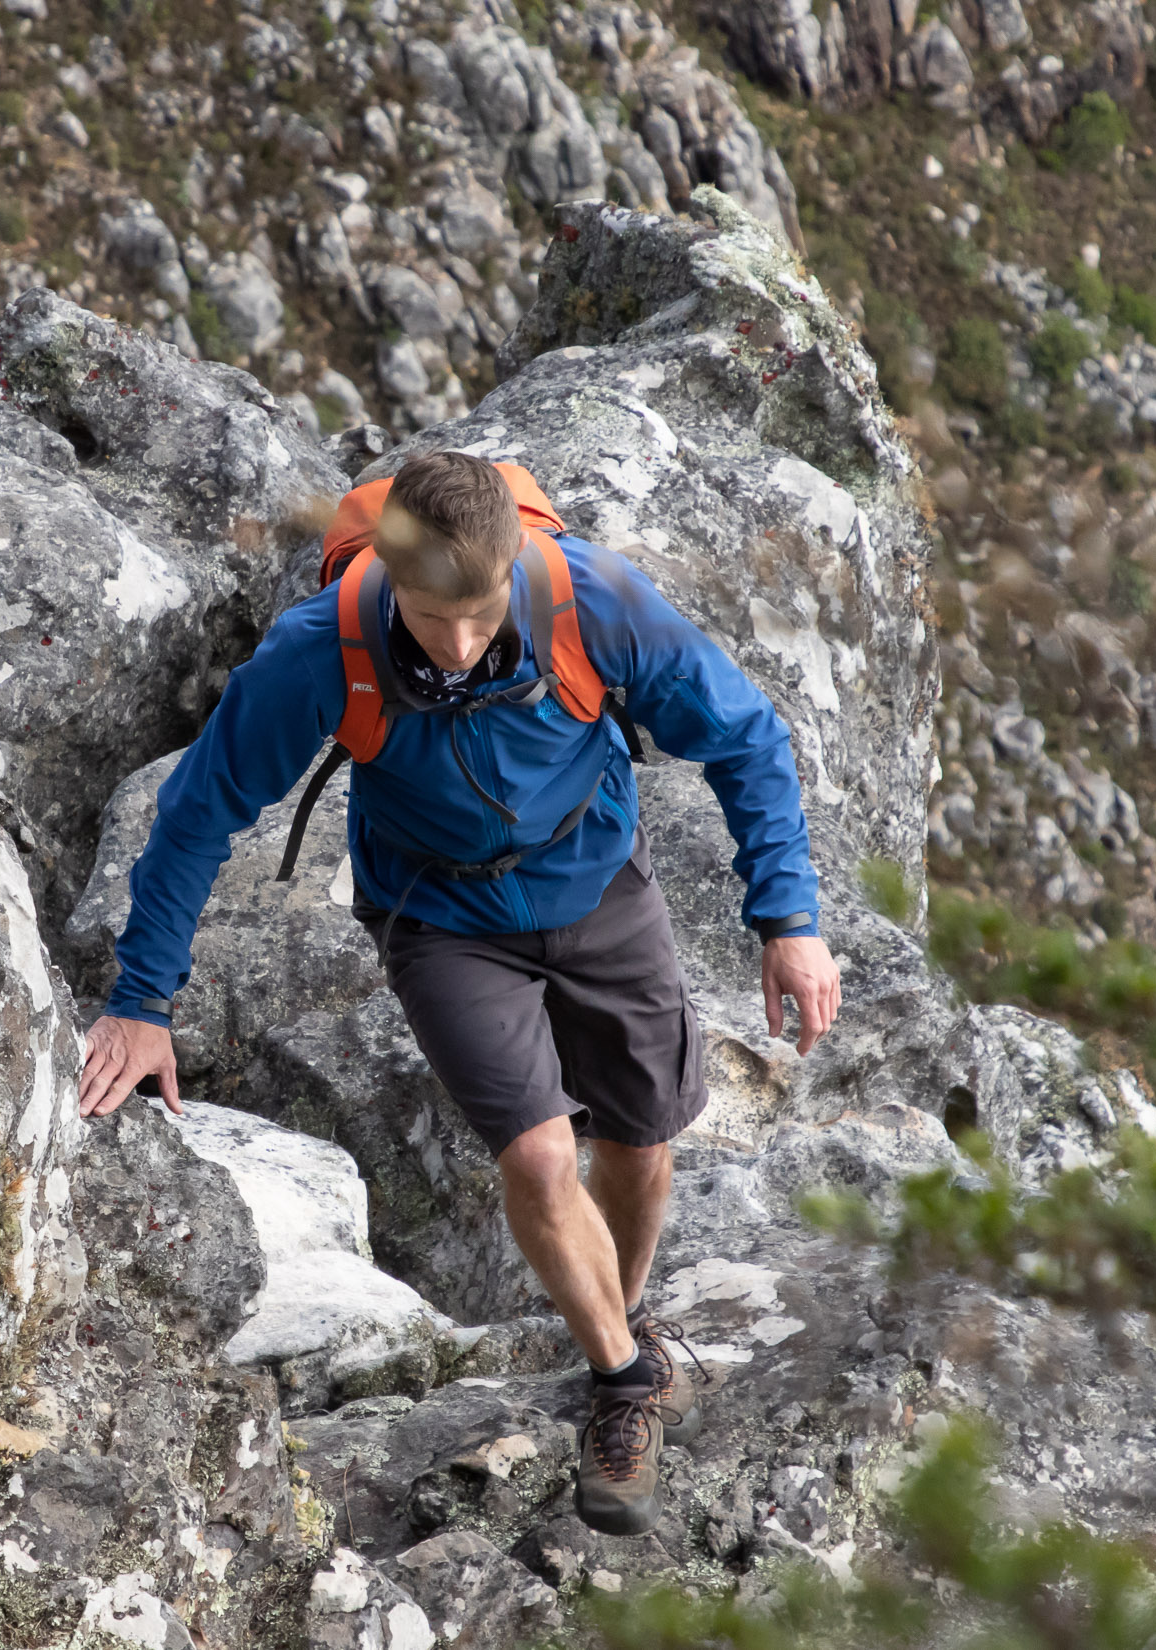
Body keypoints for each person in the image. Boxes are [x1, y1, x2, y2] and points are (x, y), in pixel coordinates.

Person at [78, 451, 842, 1535]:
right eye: (433, 620)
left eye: (480, 618)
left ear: (516, 569)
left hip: (597, 882)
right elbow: (199, 812)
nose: (460, 645)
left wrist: (791, 921)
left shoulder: (596, 602)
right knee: (536, 1152)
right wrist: (141, 1001)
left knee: (641, 1139)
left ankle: (615, 1330)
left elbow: (748, 736)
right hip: (437, 918)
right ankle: (625, 1387)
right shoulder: (321, 652)